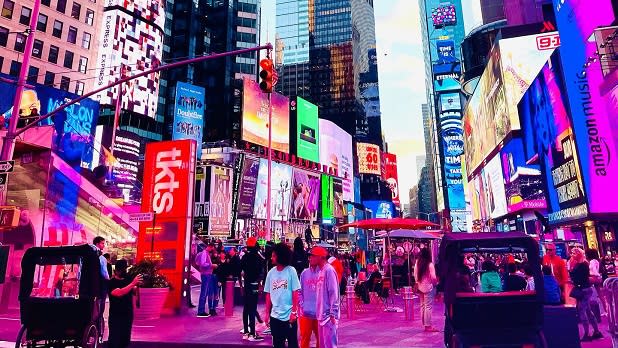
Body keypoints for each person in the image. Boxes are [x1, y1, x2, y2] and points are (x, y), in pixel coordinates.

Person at [264, 243, 301, 348]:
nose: (272, 258)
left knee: (292, 343)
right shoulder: (271, 273)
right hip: (275, 316)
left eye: (274, 255)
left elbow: (295, 292)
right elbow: (268, 294)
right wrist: (267, 313)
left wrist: (294, 311)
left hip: (290, 316)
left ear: (281, 256)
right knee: (277, 344)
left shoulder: (291, 271)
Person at [569, 248, 603, 342]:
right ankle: (596, 332)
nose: (572, 255)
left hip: (584, 290)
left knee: (582, 311)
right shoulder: (581, 264)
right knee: (588, 311)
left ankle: (587, 334)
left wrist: (572, 276)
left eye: (574, 253)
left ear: (579, 254)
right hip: (585, 289)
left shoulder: (582, 264)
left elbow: (579, 278)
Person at [108, 259, 142, 348]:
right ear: (117, 271)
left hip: (127, 313)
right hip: (115, 315)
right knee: (114, 339)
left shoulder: (128, 279)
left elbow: (133, 291)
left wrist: (137, 285)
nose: (125, 272)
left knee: (125, 339)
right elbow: (119, 293)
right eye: (123, 270)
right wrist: (133, 284)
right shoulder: (111, 282)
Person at [313, 247, 340, 348]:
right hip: (321, 315)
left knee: (330, 345)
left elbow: (334, 292)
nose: (310, 259)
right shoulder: (320, 271)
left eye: (313, 256)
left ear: (320, 257)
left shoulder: (329, 270)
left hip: (328, 316)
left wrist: (333, 313)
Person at [240, 237, 265, 341]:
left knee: (246, 308)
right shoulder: (258, 257)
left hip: (246, 284)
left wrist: (241, 285)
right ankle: (252, 333)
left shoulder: (244, 257)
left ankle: (246, 332)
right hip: (254, 284)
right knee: (253, 307)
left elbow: (240, 271)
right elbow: (261, 273)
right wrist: (260, 285)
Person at [299, 247, 322, 348]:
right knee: (304, 338)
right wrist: (302, 305)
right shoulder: (304, 273)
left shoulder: (324, 273)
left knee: (321, 339)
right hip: (306, 313)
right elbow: (299, 291)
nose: (310, 259)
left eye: (312, 256)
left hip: (320, 313)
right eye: (309, 257)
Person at [414, 248, 438, 332]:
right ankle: (428, 326)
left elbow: (415, 275)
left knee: (422, 306)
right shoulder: (430, 264)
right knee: (428, 306)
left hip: (420, 287)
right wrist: (435, 284)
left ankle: (425, 324)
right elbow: (434, 277)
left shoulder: (417, 263)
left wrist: (417, 282)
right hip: (428, 287)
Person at [195, 244, 214, 317]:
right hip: (205, 274)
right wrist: (210, 265)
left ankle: (201, 310)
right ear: (209, 247)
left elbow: (198, 262)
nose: (212, 249)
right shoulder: (204, 253)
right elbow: (203, 264)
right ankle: (201, 311)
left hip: (206, 274)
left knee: (205, 292)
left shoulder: (205, 253)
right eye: (212, 248)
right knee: (204, 292)